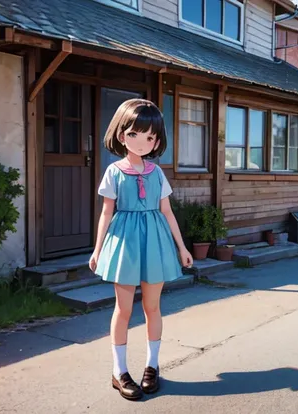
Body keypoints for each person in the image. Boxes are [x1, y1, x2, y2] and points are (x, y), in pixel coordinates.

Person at [89, 99, 193, 401]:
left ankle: (152, 366)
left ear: (157, 140)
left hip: (156, 242)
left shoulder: (157, 173)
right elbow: (106, 213)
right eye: (135, 134)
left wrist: (182, 247)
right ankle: (119, 371)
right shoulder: (114, 172)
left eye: (150, 137)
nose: (143, 142)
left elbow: (167, 212)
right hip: (124, 243)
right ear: (122, 135)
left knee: (152, 307)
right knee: (123, 309)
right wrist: (97, 250)